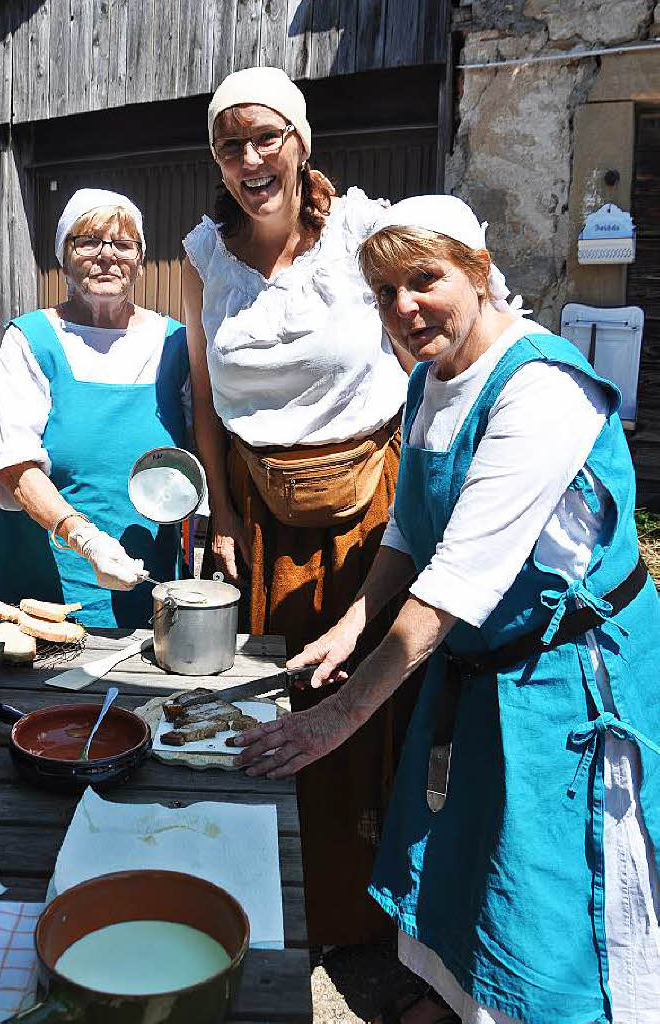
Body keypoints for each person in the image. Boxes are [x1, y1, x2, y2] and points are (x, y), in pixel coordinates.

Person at [234, 195, 660, 1024]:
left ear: (476, 272)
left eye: (423, 279)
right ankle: (467, 1001)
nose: (404, 308)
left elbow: (458, 579)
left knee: (549, 875)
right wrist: (353, 622)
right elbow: (410, 526)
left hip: (565, 676)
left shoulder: (540, 389)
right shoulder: (435, 377)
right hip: (485, 664)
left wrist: (336, 719)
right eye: (384, 291)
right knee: (467, 852)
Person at [182, 66, 413, 945]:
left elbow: (444, 323)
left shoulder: (363, 229)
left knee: (360, 697)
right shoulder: (205, 255)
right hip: (261, 512)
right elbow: (206, 401)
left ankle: (364, 915)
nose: (249, 158)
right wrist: (225, 517)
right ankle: (272, 898)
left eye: (265, 136)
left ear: (301, 141)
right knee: (269, 698)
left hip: (367, 510)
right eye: (230, 142)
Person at [0, 188, 190, 627]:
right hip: (39, 583)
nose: (107, 256)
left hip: (140, 575)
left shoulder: (174, 343)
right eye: (87, 242)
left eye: (123, 244)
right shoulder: (32, 340)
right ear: (64, 256)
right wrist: (83, 537)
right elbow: (13, 463)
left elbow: (205, 455)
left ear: (140, 259)